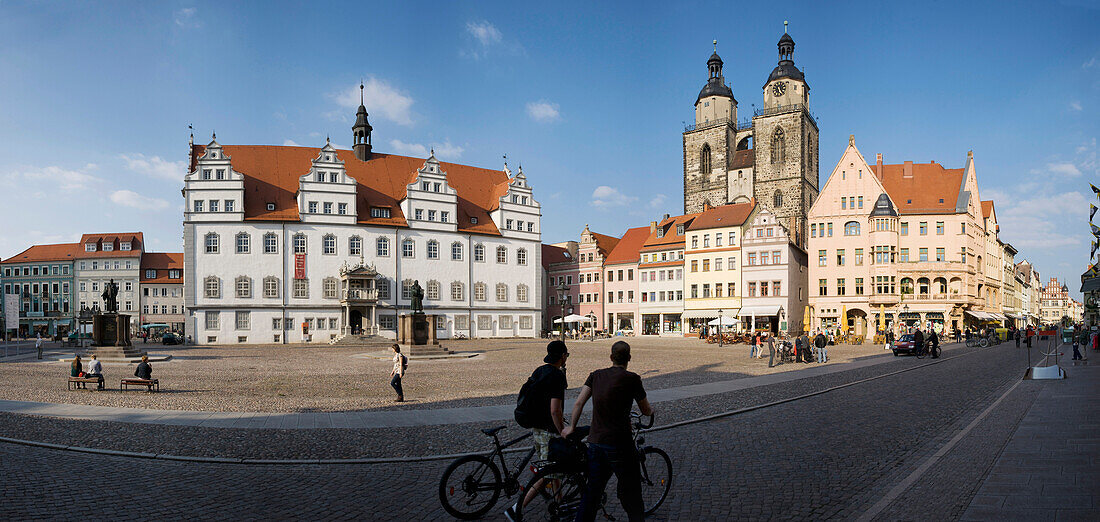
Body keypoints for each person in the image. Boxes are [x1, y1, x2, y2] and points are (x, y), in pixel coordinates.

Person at [564, 341, 652, 522]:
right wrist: (651, 412)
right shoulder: (633, 379)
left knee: (592, 493)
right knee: (631, 492)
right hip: (620, 444)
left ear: (611, 357)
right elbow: (645, 409)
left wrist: (572, 427)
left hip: (596, 442)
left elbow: (579, 402)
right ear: (629, 358)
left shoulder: (595, 375)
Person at [504, 341, 569, 521]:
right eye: (566, 355)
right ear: (562, 356)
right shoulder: (557, 376)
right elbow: (555, 410)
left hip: (538, 429)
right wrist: (562, 431)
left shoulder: (540, 370)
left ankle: (560, 506)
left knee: (552, 472)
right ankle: (516, 509)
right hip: (550, 431)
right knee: (548, 473)